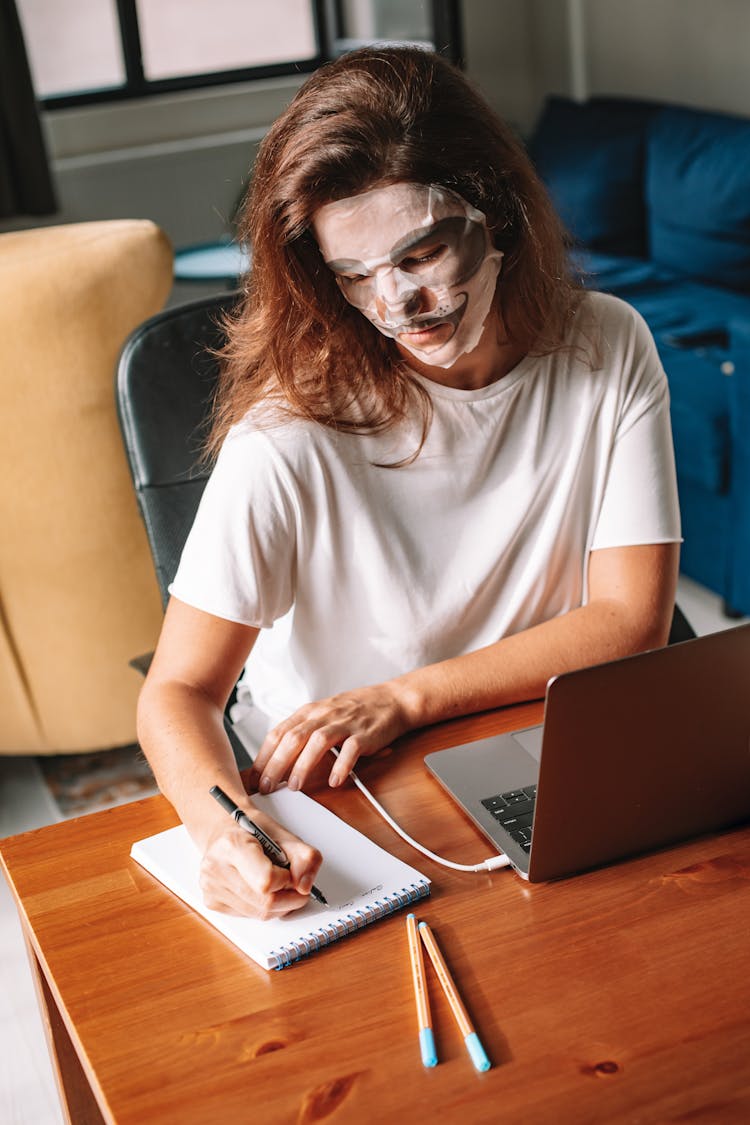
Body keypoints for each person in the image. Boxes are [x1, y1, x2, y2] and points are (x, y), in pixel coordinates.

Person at [137, 46, 681, 920]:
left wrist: (402, 697)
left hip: (532, 743)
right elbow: (178, 691)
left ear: (495, 213)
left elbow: (631, 618)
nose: (397, 307)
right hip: (347, 786)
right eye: (353, 276)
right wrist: (226, 829)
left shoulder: (606, 345)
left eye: (420, 255)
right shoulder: (287, 438)